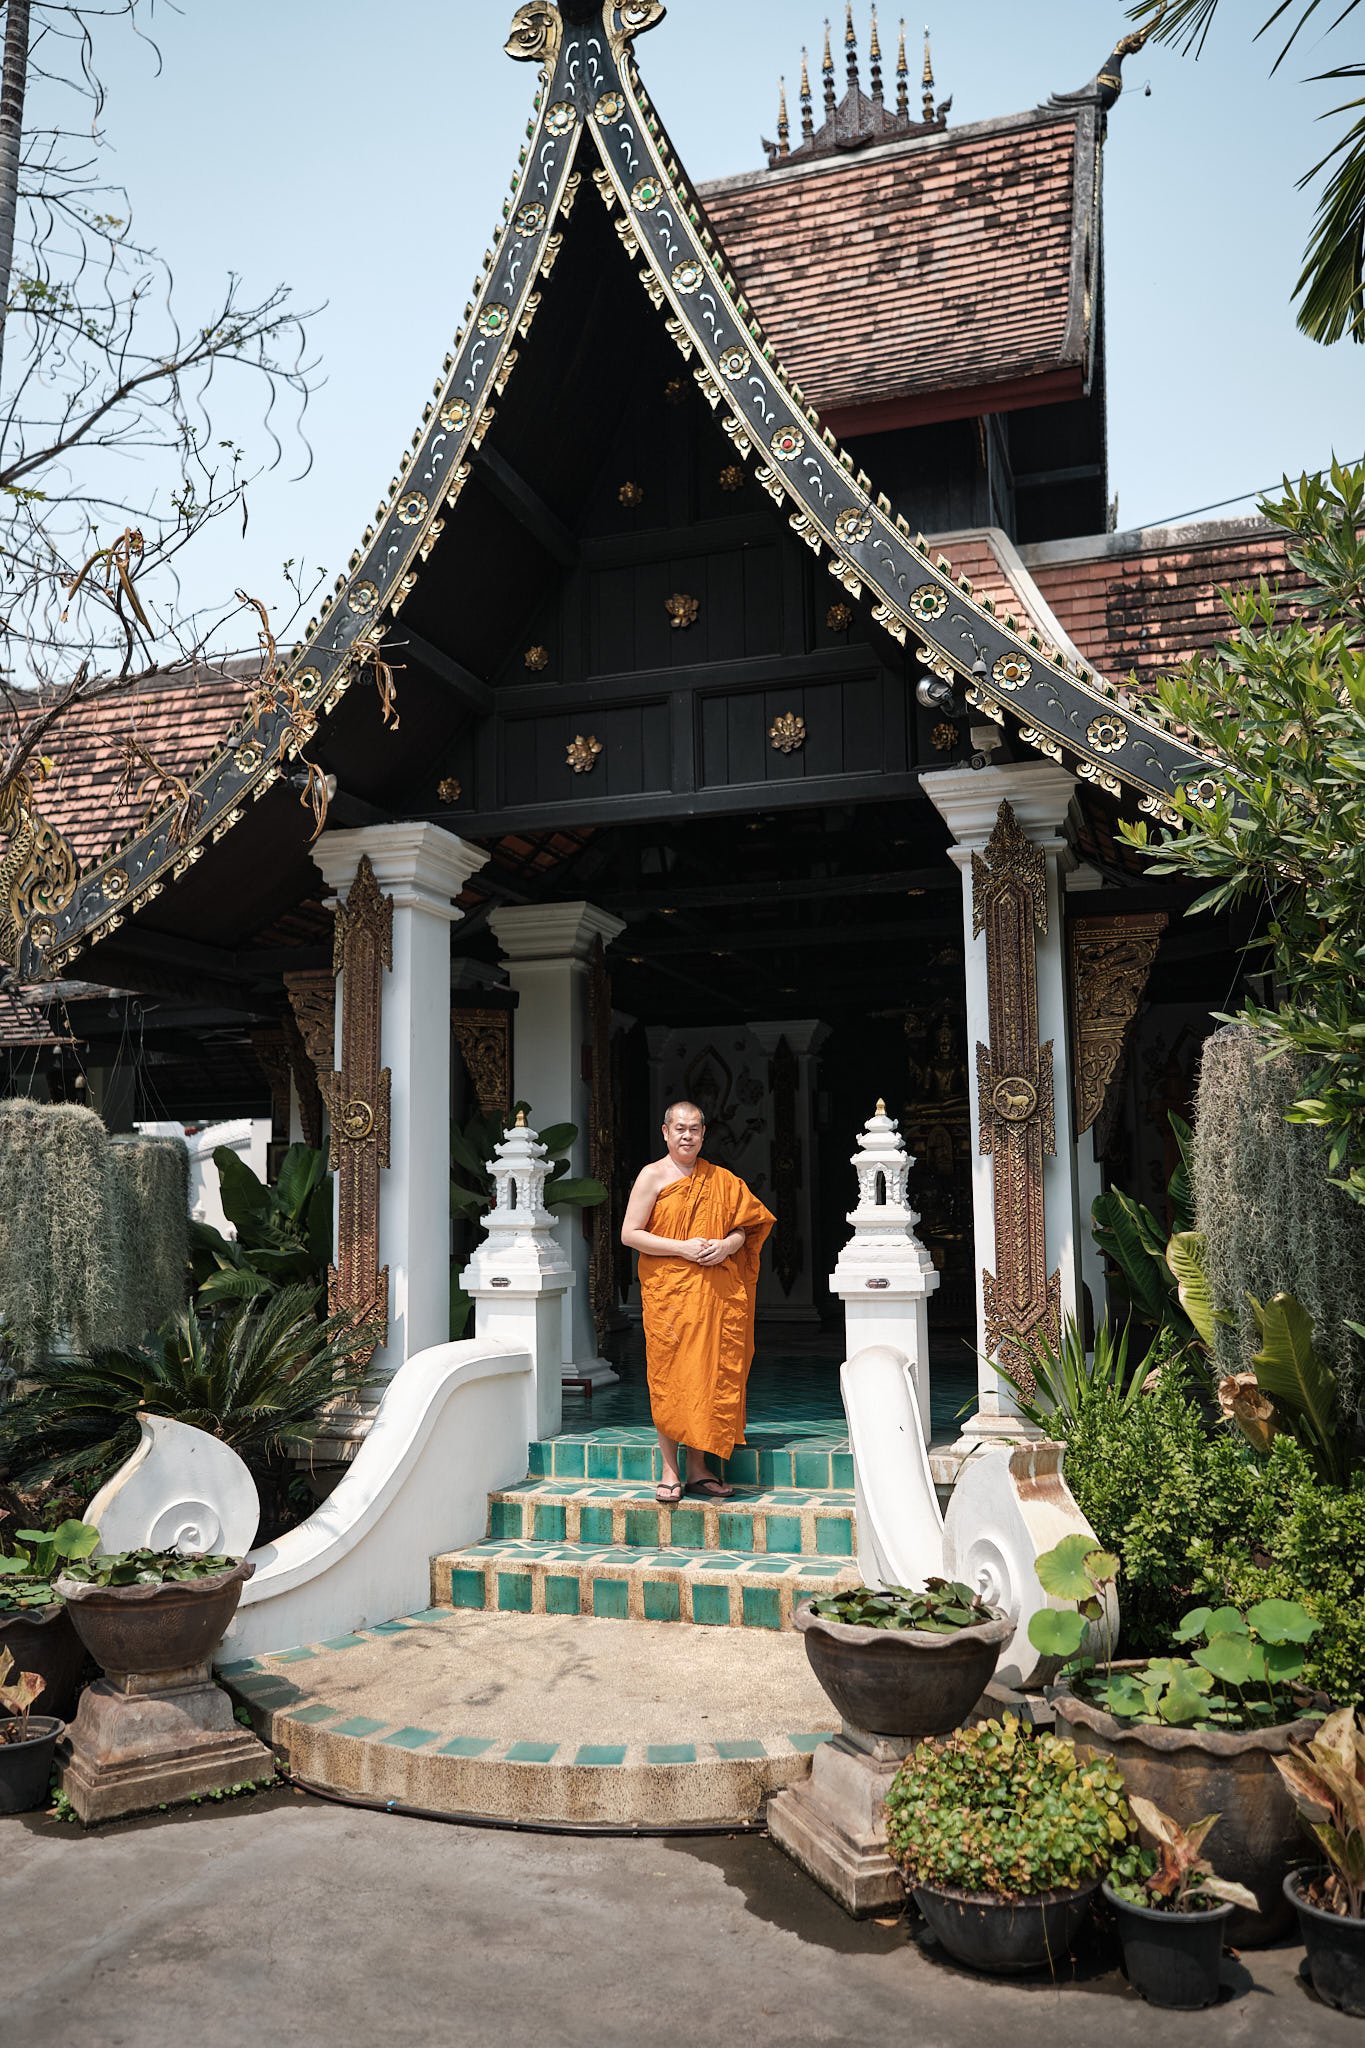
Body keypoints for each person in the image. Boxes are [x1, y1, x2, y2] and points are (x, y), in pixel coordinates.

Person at [620, 1101, 774, 1504]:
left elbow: (748, 1227)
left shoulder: (721, 1179)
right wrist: (682, 1248)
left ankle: (698, 1469)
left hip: (713, 1297)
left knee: (706, 1376)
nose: (687, 1136)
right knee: (671, 1379)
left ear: (704, 1134)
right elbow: (630, 1234)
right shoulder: (652, 1176)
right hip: (670, 1297)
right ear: (665, 1132)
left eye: (694, 1129)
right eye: (680, 1129)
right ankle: (670, 1470)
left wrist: (726, 1245)